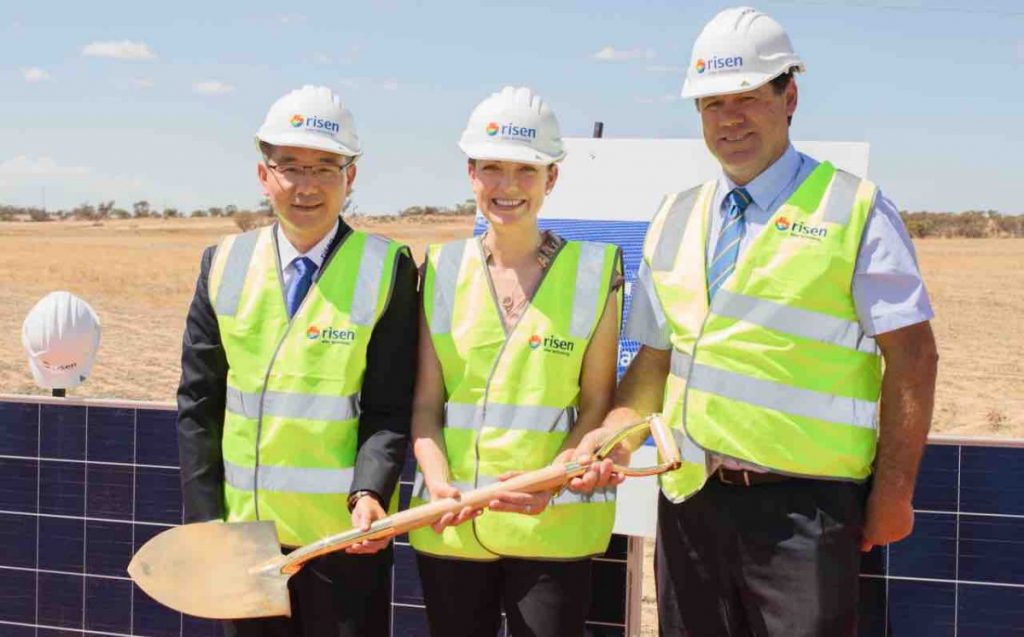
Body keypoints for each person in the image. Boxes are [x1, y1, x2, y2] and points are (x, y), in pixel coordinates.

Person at [571, 8, 939, 636]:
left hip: (807, 510)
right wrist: (614, 439)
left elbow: (913, 358)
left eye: (746, 98)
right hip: (691, 503)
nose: (729, 119)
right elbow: (657, 360)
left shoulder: (855, 210)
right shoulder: (676, 216)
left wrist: (894, 492)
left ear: (788, 97)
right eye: (712, 104)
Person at [175, 85, 417, 637]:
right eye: (290, 167)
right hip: (246, 544)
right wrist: (206, 520)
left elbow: (389, 405)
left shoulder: (388, 268)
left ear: (349, 178)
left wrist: (371, 492)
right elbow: (199, 402)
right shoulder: (223, 263)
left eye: (324, 168)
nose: (306, 186)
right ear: (265, 176)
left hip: (344, 540)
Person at [408, 86, 622, 637]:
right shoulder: (440, 269)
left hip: (551, 523)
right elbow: (428, 404)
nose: (508, 186)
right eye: (493, 169)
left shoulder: (595, 272)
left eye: (527, 171)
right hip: (451, 524)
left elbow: (598, 402)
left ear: (552, 178)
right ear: (471, 174)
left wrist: (555, 477)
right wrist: (438, 486)